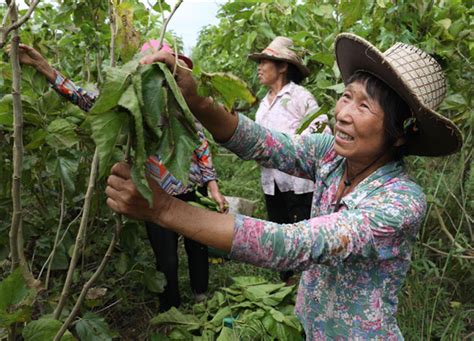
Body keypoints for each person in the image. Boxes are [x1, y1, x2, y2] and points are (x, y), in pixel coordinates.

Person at [105, 32, 462, 339]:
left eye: (364, 105)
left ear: (400, 135)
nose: (343, 112)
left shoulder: (400, 202)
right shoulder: (332, 158)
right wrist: (196, 100)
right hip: (311, 326)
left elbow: (291, 245)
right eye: (346, 96)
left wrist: (164, 208)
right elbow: (260, 142)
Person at [10, 40, 228, 312]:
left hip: (191, 185)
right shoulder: (130, 101)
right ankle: (171, 311)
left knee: (199, 246)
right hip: (156, 192)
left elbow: (199, 141)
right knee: (166, 259)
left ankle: (201, 299)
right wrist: (44, 66)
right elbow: (87, 99)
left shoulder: (179, 100)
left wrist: (212, 184)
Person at [249, 36, 331, 282]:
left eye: (265, 62)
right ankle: (286, 285)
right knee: (279, 234)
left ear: (283, 66)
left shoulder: (300, 97)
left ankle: (305, 287)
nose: (259, 68)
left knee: (302, 238)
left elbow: (321, 132)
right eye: (259, 63)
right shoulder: (263, 104)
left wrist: (288, 149)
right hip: (272, 183)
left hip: (299, 183)